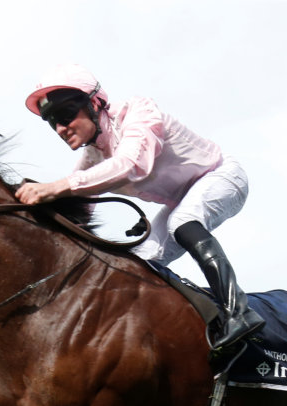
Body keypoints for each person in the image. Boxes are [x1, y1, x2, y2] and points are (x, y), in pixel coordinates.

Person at [18, 64, 264, 350]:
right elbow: (78, 213)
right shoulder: (93, 156)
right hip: (181, 201)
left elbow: (131, 165)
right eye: (52, 122)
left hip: (221, 175)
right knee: (137, 261)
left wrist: (52, 187)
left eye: (65, 116)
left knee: (182, 221)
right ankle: (201, 324)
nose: (61, 128)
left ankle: (240, 311)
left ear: (95, 103)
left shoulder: (138, 112)